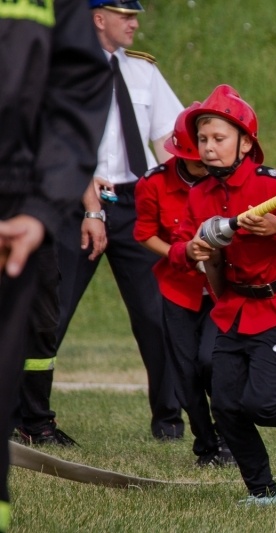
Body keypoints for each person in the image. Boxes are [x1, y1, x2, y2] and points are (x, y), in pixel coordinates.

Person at [15, 0, 187, 443]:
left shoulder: (143, 71)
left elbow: (171, 139)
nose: (134, 23)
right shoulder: (61, 68)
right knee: (53, 312)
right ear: (98, 18)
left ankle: (168, 418)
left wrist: (185, 197)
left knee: (156, 313)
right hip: (76, 202)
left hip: (135, 202)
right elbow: (63, 142)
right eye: (125, 15)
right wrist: (91, 208)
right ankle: (28, 415)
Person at [168, 85, 276, 506]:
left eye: (219, 139)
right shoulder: (198, 194)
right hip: (233, 309)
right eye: (203, 140)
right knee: (226, 408)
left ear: (246, 142)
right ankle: (263, 493)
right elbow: (179, 244)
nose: (208, 148)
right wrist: (190, 250)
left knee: (262, 404)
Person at [0, 0, 113, 529]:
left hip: (18, 218)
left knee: (38, 330)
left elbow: (75, 92)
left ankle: (34, 420)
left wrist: (44, 206)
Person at [133, 103, 236, 467]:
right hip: (178, 288)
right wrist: (182, 253)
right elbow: (144, 232)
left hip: (219, 289)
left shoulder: (226, 183)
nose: (205, 164)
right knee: (185, 372)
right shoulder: (153, 183)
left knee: (213, 362)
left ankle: (228, 439)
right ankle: (205, 446)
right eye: (196, 161)